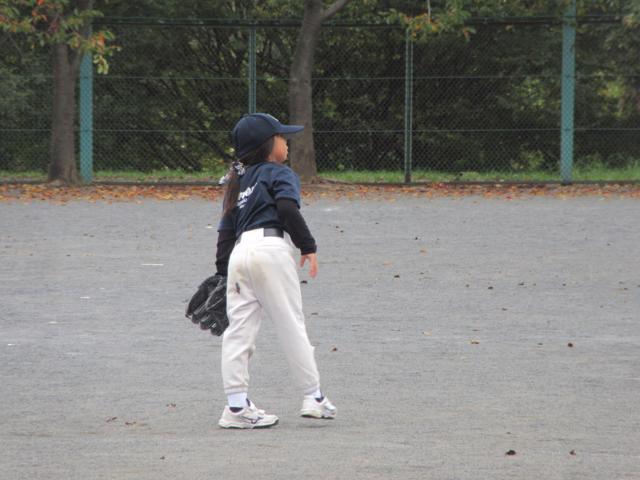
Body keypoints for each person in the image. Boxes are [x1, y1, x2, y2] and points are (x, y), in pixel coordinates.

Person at [214, 113, 336, 429]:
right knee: (291, 325)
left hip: (240, 255)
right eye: (281, 136)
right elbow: (286, 209)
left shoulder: (236, 182)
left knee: (238, 333)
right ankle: (314, 397)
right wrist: (307, 245)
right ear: (268, 145)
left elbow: (225, 232)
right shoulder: (279, 173)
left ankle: (236, 407)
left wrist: (222, 274)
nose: (286, 141)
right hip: (270, 250)